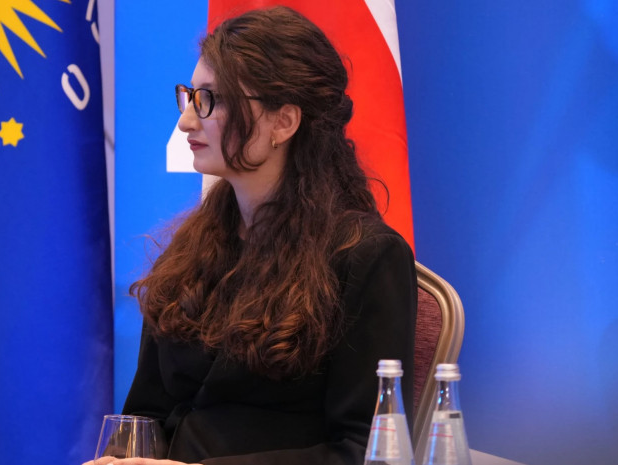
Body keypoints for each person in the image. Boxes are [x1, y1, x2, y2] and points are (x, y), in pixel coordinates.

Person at [99, 6, 417, 465]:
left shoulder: (367, 257)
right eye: (189, 96)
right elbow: (144, 419)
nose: (187, 121)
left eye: (211, 100)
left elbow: (366, 452)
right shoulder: (190, 250)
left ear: (283, 122)